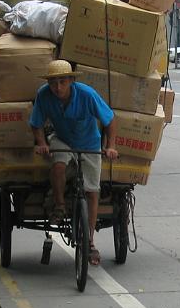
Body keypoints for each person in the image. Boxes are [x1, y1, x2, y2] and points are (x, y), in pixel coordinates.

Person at [30, 60, 119, 266]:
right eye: (54, 83)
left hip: (89, 142)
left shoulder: (87, 94)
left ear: (71, 80)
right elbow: (36, 123)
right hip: (62, 140)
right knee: (58, 165)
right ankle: (60, 204)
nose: (58, 87)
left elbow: (110, 120)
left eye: (62, 81)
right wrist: (42, 143)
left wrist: (111, 146)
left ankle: (90, 241)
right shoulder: (43, 95)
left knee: (92, 190)